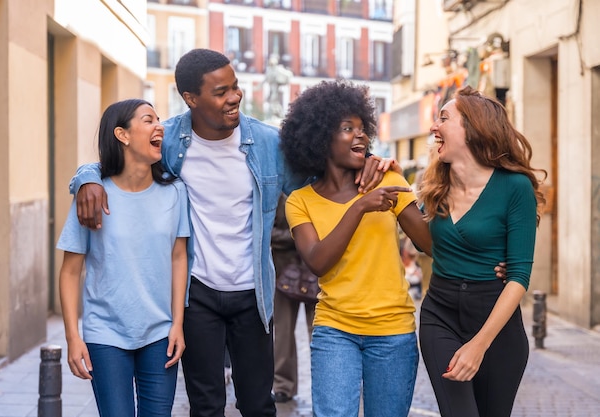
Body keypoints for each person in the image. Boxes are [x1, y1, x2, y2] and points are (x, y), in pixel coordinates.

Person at [67, 49, 390, 417]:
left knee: (258, 404)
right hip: (197, 293)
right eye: (221, 92)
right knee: (206, 406)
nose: (234, 96)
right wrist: (87, 179)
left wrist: (369, 161)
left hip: (253, 293)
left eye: (235, 87)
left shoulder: (269, 144)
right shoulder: (169, 139)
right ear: (191, 99)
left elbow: (326, 178)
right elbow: (115, 160)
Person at [279, 79, 433, 417]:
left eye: (363, 128)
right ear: (320, 138)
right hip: (336, 331)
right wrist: (361, 207)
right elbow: (319, 261)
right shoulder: (300, 202)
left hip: (393, 332)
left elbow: (428, 244)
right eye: (347, 128)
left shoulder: (389, 180)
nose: (360, 135)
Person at [417, 86, 546, 417]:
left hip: (497, 327)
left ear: (472, 128)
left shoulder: (514, 188)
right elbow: (429, 242)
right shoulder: (435, 187)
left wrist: (479, 344)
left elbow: (518, 277)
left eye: (444, 118)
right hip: (440, 315)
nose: (434, 126)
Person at [57, 99, 189, 416]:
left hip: (160, 335)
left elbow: (178, 257)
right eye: (148, 120)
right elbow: (70, 272)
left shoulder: (175, 192)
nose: (160, 126)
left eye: (159, 119)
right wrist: (73, 338)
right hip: (106, 335)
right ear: (122, 134)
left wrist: (178, 325)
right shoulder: (92, 195)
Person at [272, 193, 316, 403]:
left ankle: (325, 382)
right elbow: (265, 230)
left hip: (316, 270)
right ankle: (283, 386)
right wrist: (300, 233)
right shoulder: (279, 193)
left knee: (320, 332)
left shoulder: (320, 187)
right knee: (282, 332)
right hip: (282, 272)